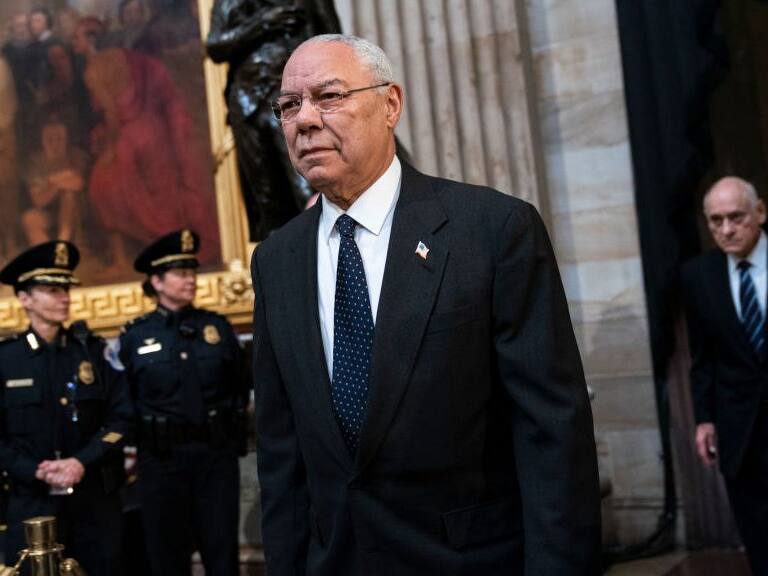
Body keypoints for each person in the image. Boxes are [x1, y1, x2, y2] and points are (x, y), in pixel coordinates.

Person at [251, 34, 601, 576]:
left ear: (390, 104)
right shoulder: (276, 260)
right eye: (289, 105)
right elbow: (281, 454)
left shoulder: (491, 230)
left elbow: (551, 433)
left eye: (329, 95)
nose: (305, 120)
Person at [119, 230, 248, 575]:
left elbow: (240, 384)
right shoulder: (134, 336)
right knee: (167, 555)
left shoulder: (216, 328)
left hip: (214, 456)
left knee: (222, 553)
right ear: (157, 281)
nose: (190, 280)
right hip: (161, 461)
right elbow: (124, 399)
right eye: (180, 273)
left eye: (192, 272)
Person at [0, 240, 132, 574]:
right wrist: (34, 470)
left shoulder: (92, 352)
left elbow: (122, 418)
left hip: (93, 501)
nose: (64, 297)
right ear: (24, 298)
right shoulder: (6, 359)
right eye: (50, 289)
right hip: (31, 501)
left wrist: (80, 461)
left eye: (65, 288)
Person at [682, 176, 768, 575]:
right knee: (758, 531)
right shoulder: (699, 276)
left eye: (736, 217)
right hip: (741, 428)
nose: (726, 229)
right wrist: (705, 418)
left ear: (760, 212)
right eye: (715, 221)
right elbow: (703, 359)